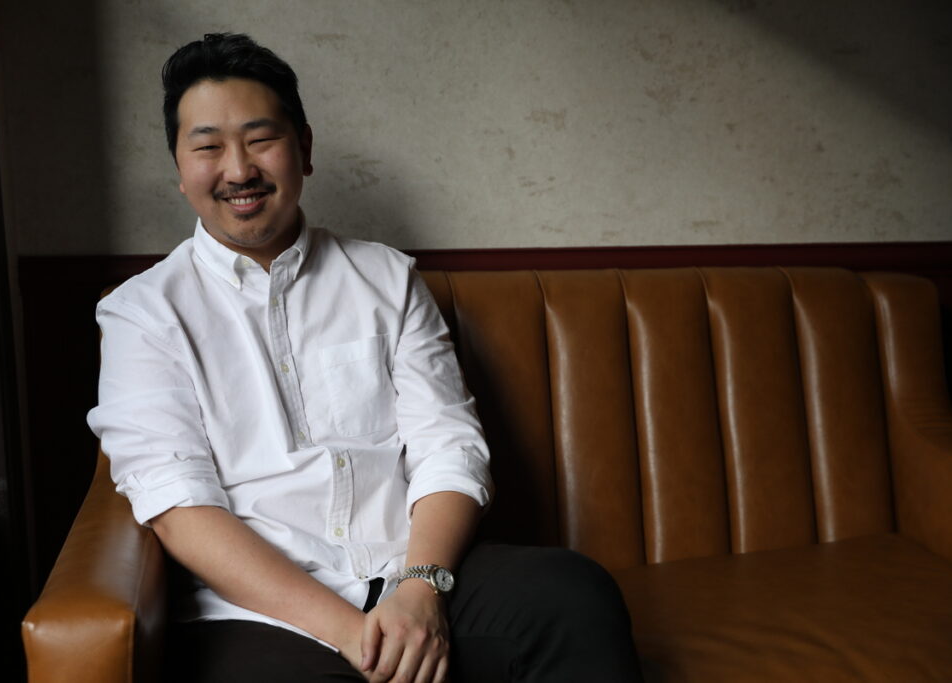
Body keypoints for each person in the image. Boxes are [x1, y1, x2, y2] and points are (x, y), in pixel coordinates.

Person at [87, 32, 642, 683]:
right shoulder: (142, 312)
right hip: (255, 612)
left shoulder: (386, 277)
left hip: (412, 572)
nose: (238, 169)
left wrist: (421, 588)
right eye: (208, 147)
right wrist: (352, 632)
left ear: (305, 150)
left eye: (261, 139)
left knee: (572, 594)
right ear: (181, 172)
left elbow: (450, 445)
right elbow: (181, 507)